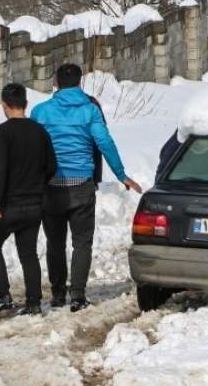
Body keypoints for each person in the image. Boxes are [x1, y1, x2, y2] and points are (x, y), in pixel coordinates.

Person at [31, 63, 143, 312]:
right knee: (82, 243)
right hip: (81, 184)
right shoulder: (90, 111)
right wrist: (122, 175)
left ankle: (58, 294)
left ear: (55, 84)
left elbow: (32, 148)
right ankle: (78, 296)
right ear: (80, 83)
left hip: (51, 186)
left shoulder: (40, 112)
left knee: (55, 242)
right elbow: (104, 142)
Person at [0, 83, 57, 316]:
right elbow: (52, 166)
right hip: (35, 205)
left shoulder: (2, 133)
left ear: (4, 106)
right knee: (28, 254)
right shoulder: (39, 131)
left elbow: (0, 170)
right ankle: (33, 303)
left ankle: (3, 295)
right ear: (26, 104)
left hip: (8, 205)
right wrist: (38, 185)